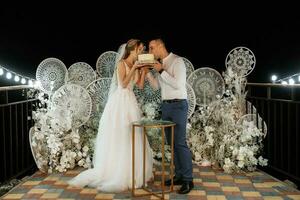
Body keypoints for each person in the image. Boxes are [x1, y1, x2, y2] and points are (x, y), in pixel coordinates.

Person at [68, 39, 153, 192]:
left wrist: (144, 71)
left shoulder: (137, 65)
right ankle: (116, 171)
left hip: (130, 101)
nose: (142, 52)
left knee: (134, 135)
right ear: (132, 50)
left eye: (142, 49)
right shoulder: (121, 64)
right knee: (120, 135)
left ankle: (133, 171)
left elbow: (138, 86)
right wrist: (134, 68)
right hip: (119, 102)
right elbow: (123, 84)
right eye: (140, 49)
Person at [146, 38, 194, 194]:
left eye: (152, 48)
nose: (150, 51)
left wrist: (160, 70)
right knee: (171, 144)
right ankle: (179, 175)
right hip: (166, 106)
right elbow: (156, 87)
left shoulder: (177, 61)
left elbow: (178, 84)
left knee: (179, 143)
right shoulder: (160, 64)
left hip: (179, 105)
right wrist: (147, 72)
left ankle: (188, 180)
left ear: (161, 46)